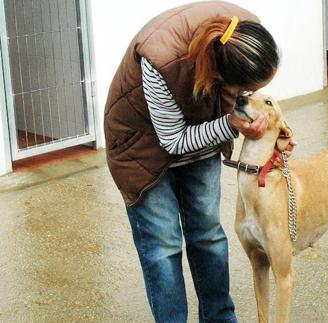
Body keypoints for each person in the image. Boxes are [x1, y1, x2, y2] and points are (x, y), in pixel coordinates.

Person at [104, 2, 294, 322]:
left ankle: (220, 318)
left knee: (207, 234)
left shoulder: (244, 35)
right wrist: (230, 124)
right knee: (163, 245)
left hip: (201, 133)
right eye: (244, 90)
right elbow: (173, 141)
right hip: (142, 149)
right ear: (220, 76)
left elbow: (247, 102)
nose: (248, 95)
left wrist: (276, 132)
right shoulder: (159, 60)